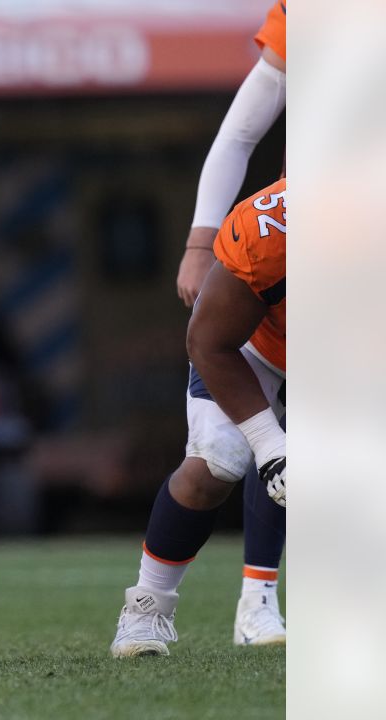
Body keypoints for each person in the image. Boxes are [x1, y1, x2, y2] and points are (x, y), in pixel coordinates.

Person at [110, 178, 287, 657]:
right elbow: (208, 342)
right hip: (256, 349)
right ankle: (146, 611)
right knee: (217, 463)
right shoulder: (267, 229)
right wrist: (270, 445)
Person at [174, 0, 288, 645]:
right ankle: (257, 603)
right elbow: (240, 132)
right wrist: (200, 243)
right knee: (251, 444)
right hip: (311, 239)